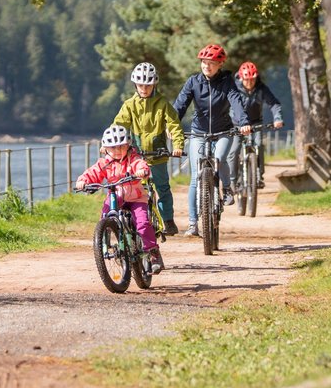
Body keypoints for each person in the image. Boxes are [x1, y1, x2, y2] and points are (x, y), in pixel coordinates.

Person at [173, 44, 252, 237]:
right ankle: (193, 224)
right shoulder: (193, 82)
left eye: (211, 63)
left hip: (223, 131)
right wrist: (171, 125)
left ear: (220, 64)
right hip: (198, 132)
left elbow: (236, 101)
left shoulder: (227, 82)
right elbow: (180, 106)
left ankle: (226, 190)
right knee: (194, 178)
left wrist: (243, 122)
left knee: (219, 158)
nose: (206, 66)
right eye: (204, 62)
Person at [75, 124, 164, 274]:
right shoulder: (104, 163)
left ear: (128, 145)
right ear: (106, 148)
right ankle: (104, 239)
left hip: (136, 197)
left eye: (121, 146)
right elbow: (93, 172)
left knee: (142, 223)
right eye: (113, 147)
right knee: (105, 214)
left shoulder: (132, 158)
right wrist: (83, 181)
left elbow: (140, 164)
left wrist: (142, 171)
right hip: (116, 196)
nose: (117, 151)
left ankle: (153, 252)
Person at [112, 61, 185, 236]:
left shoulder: (163, 104)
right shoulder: (129, 105)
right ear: (135, 85)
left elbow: (174, 125)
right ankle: (138, 220)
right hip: (136, 157)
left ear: (154, 84)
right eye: (140, 84)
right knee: (137, 190)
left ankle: (168, 220)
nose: (144, 88)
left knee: (162, 188)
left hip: (158, 154)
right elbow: (119, 125)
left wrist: (177, 146)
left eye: (148, 84)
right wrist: (111, 145)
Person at [228, 61, 284, 189]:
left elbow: (274, 104)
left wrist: (277, 118)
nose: (250, 83)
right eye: (247, 80)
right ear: (241, 77)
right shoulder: (234, 88)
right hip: (236, 125)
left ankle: (259, 175)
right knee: (234, 150)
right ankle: (233, 180)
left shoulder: (261, 88)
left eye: (252, 80)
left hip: (255, 123)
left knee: (258, 145)